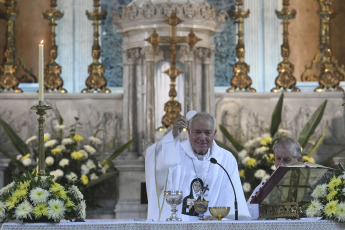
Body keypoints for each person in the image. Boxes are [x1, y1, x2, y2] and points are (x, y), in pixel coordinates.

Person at [145, 111, 251, 221]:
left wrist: (221, 220)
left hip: (212, 226)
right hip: (178, 225)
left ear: (214, 133)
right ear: (189, 132)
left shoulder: (225, 159)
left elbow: (231, 197)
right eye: (197, 132)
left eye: (207, 132)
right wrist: (173, 135)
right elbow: (154, 159)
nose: (202, 137)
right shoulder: (175, 152)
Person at [247, 137, 303, 219]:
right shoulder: (264, 185)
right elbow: (247, 214)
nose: (280, 164)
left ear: (299, 160)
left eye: (286, 160)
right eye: (278, 159)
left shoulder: (309, 185)